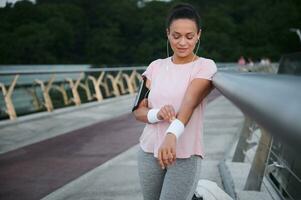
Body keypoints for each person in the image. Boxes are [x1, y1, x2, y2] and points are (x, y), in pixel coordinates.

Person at [133, 3, 217, 200]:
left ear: (199, 35)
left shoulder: (205, 66)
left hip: (185, 153)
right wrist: (157, 113)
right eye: (176, 35)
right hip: (149, 151)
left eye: (189, 36)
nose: (182, 42)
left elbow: (189, 104)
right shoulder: (155, 67)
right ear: (167, 34)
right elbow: (138, 110)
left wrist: (171, 135)